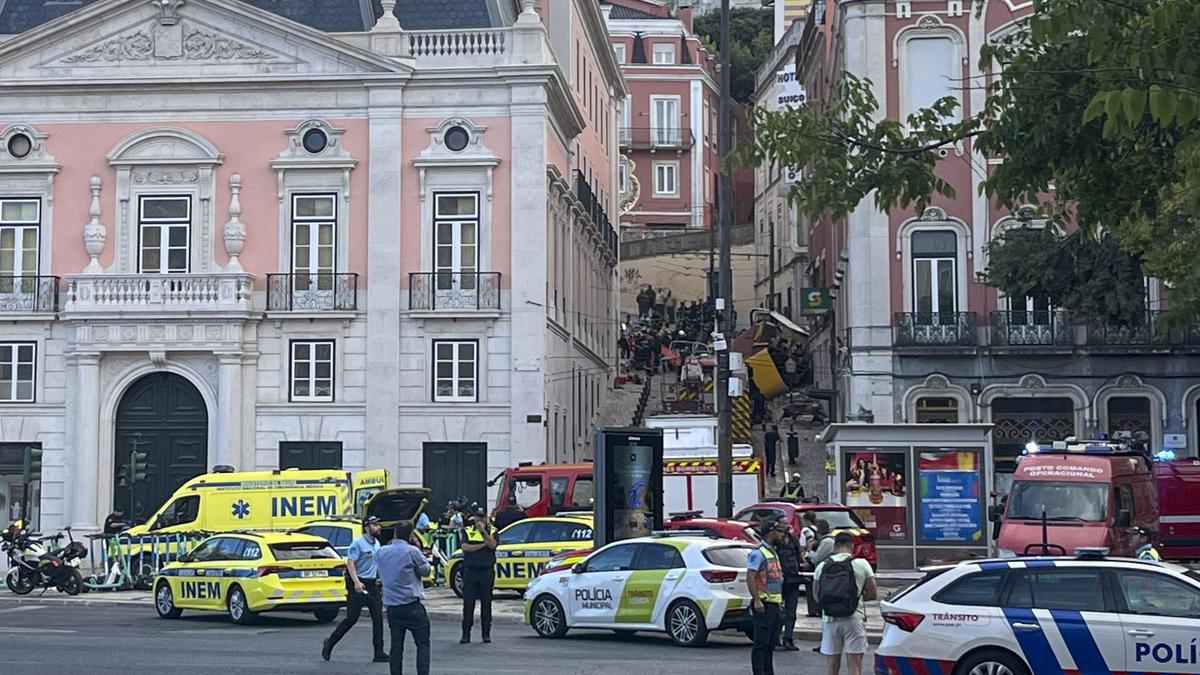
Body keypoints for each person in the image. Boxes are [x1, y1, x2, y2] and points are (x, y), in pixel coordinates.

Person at [323, 516, 387, 663]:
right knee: (352, 618)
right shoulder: (357, 544)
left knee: (378, 618)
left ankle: (379, 651)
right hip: (358, 583)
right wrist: (356, 582)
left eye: (379, 524)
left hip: (372, 584)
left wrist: (380, 579)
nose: (379, 527)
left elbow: (376, 564)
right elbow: (350, 564)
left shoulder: (377, 544)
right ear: (366, 527)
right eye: (375, 525)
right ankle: (330, 643)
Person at [814, 532, 877, 675]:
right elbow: (873, 593)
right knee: (854, 664)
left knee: (832, 665)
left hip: (830, 619)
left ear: (835, 546)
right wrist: (855, 599)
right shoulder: (861, 564)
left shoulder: (822, 566)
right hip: (854, 617)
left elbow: (816, 596)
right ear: (852, 546)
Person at [377, 520, 432, 675]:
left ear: (395, 533)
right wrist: (418, 548)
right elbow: (426, 571)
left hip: (392, 606)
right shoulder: (412, 551)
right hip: (411, 605)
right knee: (422, 644)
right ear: (410, 534)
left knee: (396, 647)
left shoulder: (382, 551)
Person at [746, 521, 785, 675]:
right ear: (771, 532)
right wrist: (757, 600)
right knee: (761, 644)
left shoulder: (772, 552)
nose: (782, 535)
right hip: (764, 604)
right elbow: (750, 576)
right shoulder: (758, 553)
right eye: (779, 532)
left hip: (774, 604)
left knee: (770, 644)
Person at [459, 508, 498, 644]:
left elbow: (493, 545)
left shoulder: (492, 531)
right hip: (470, 572)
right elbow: (465, 547)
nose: (480, 520)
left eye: (482, 517)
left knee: (486, 604)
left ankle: (486, 634)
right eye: (478, 517)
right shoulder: (467, 530)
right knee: (468, 604)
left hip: (486, 572)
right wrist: (483, 545)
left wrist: (483, 532)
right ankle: (466, 634)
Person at [773, 521, 804, 652]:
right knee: (777, 611)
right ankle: (775, 638)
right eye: (783, 524)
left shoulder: (793, 538)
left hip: (793, 578)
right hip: (778, 580)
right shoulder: (775, 541)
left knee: (791, 611)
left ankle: (788, 638)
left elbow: (800, 557)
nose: (786, 527)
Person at [804, 520, 834, 618]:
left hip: (823, 571)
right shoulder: (824, 541)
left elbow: (816, 558)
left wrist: (809, 551)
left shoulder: (827, 542)